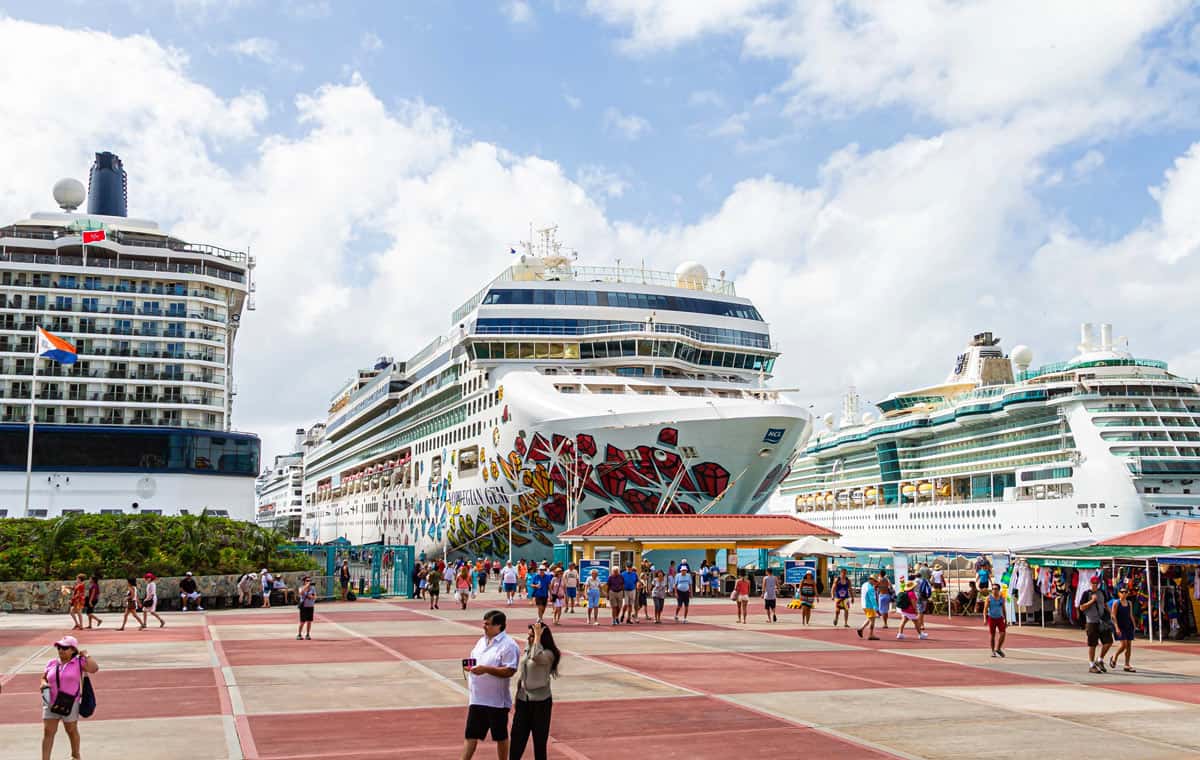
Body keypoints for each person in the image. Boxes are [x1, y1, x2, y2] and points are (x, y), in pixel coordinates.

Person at [462, 610, 520, 760]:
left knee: (500, 736)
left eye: (488, 624)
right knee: (471, 734)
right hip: (477, 699)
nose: (484, 627)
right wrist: (471, 667)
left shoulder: (508, 645)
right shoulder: (481, 641)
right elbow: (474, 658)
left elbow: (509, 670)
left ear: (499, 626)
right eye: (484, 623)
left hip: (496, 702)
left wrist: (486, 669)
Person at [40, 635, 99, 760]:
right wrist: (43, 683)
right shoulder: (52, 662)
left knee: (71, 730)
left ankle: (75, 755)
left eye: (64, 648)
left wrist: (86, 655)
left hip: (70, 703)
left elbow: (94, 668)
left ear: (73, 649)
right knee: (48, 732)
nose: (61, 650)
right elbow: (44, 677)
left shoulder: (78, 662)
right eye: (59, 647)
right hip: (50, 702)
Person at [509, 620, 561, 760]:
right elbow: (524, 670)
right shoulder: (529, 647)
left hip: (541, 703)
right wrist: (518, 694)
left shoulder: (548, 654)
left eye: (532, 636)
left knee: (539, 742)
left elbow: (536, 657)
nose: (529, 638)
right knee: (516, 739)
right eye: (529, 635)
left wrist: (538, 635)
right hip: (523, 701)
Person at [1080, 575, 1114, 673]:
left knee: (1108, 642)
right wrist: (1091, 601)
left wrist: (1111, 612)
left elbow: (1105, 604)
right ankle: (1091, 665)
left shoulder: (1102, 592)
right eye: (1093, 583)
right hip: (1091, 622)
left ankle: (1100, 660)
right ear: (1090, 583)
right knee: (1092, 644)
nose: (1095, 585)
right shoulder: (1086, 594)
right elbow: (1081, 607)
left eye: (1096, 583)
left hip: (1102, 621)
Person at [1108, 585, 1137, 672]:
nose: (1124, 594)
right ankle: (1114, 657)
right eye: (1122, 592)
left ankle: (1127, 664)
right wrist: (1116, 627)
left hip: (1128, 626)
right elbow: (1113, 615)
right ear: (1119, 594)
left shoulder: (1129, 603)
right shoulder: (1116, 603)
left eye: (1125, 592)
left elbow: (1130, 615)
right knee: (1123, 644)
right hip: (1120, 626)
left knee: (1129, 645)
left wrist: (1134, 625)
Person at [985, 583, 1007, 657]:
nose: (994, 590)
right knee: (992, 635)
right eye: (993, 589)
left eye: (996, 589)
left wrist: (1006, 619)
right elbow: (985, 610)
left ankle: (998, 648)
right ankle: (992, 651)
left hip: (1000, 618)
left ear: (998, 590)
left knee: (1003, 633)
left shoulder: (1002, 598)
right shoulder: (989, 598)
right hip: (991, 618)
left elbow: (1003, 609)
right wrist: (985, 619)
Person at [857, 572, 880, 640]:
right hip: (869, 606)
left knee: (870, 618)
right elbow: (872, 599)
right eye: (875, 581)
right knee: (872, 620)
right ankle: (870, 634)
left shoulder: (864, 585)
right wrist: (877, 609)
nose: (875, 582)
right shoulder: (870, 588)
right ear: (872, 580)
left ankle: (861, 629)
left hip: (864, 605)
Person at [297, 575, 316, 640]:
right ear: (304, 581)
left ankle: (307, 634)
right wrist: (306, 586)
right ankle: (299, 634)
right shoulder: (301, 587)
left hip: (310, 606)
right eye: (307, 581)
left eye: (310, 581)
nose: (309, 582)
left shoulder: (312, 588)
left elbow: (315, 596)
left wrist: (312, 597)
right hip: (304, 606)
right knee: (302, 621)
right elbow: (301, 592)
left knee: (309, 621)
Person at [914, 572, 932, 639]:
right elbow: (929, 587)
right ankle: (922, 624)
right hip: (924, 597)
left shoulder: (914, 581)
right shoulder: (924, 581)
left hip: (917, 597)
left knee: (919, 611)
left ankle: (919, 625)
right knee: (922, 612)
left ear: (916, 576)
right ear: (921, 576)